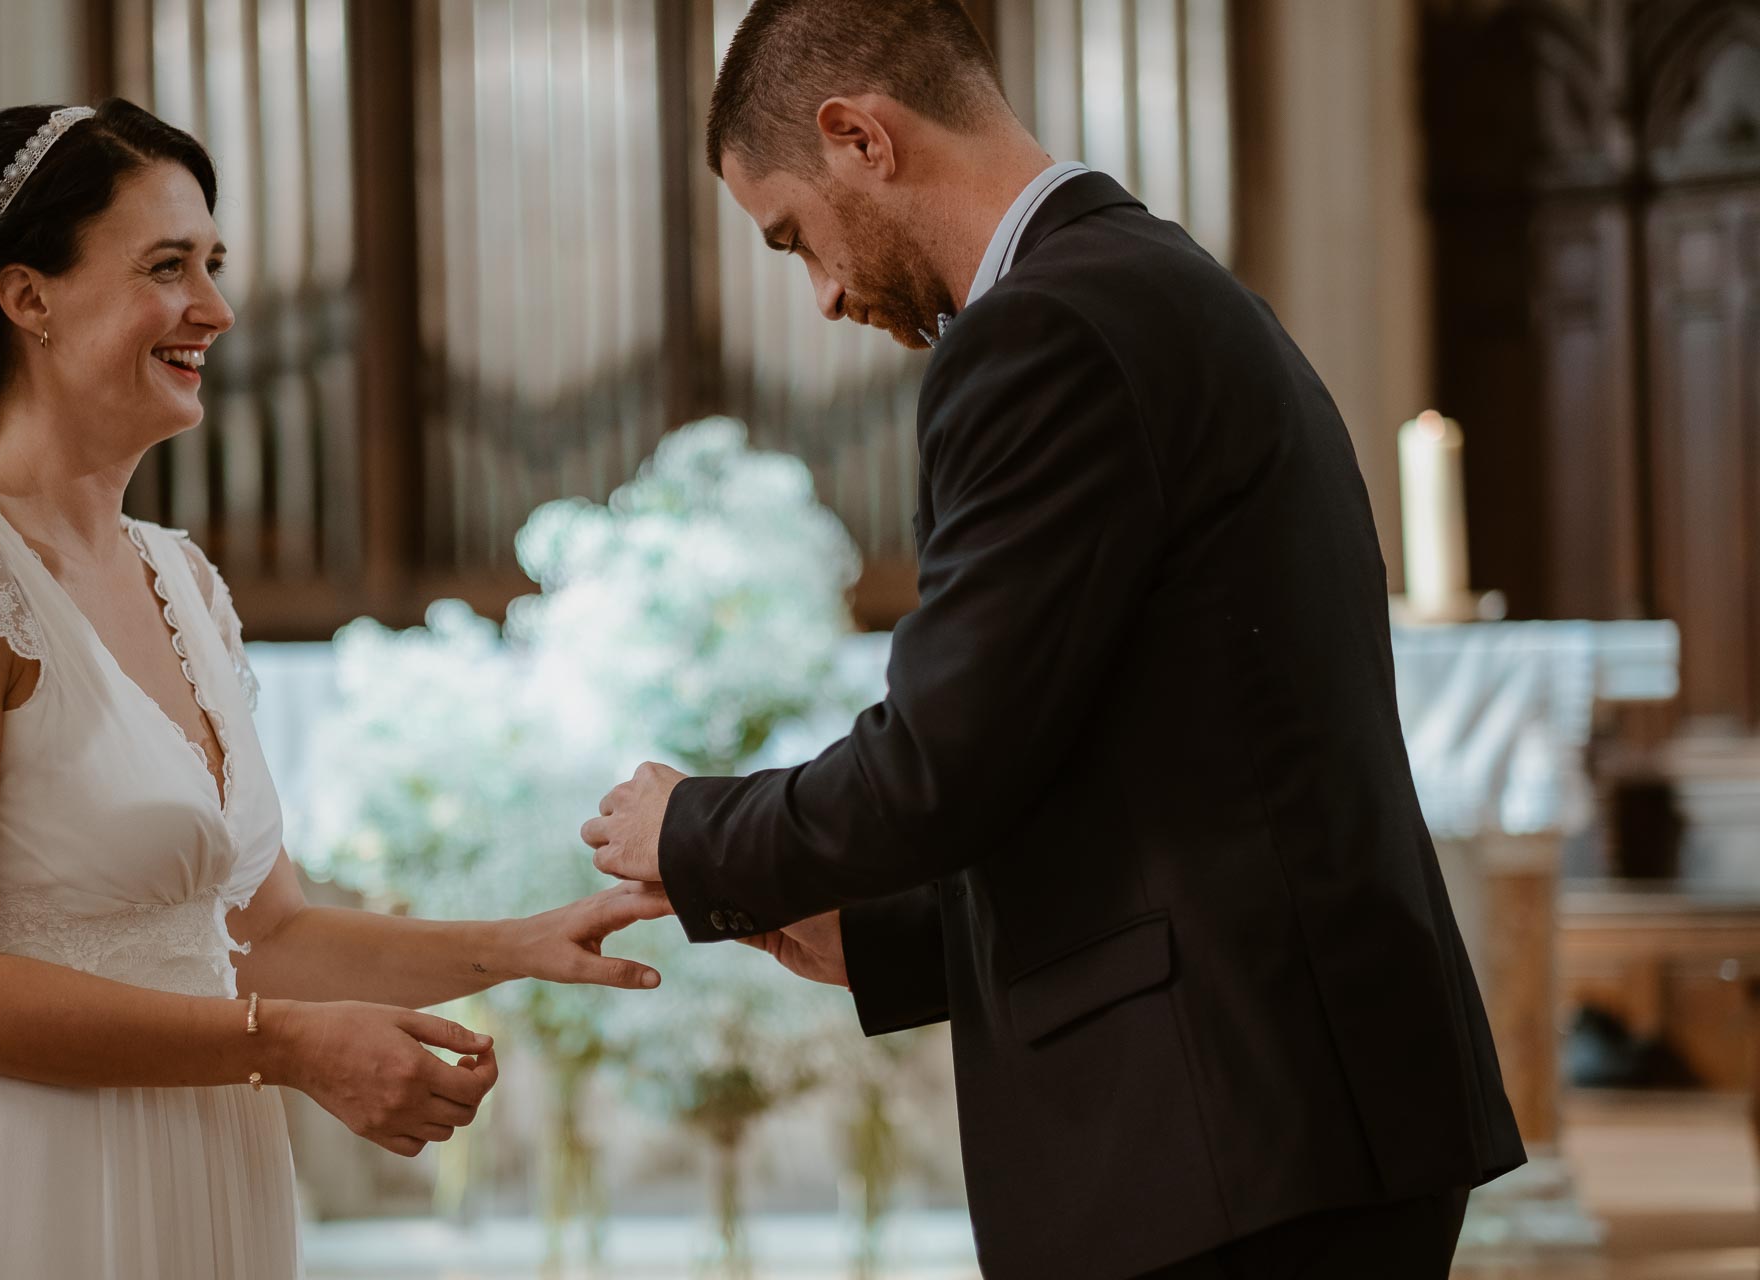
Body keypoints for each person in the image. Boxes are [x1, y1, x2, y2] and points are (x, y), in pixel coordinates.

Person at [581, 2, 1526, 1277]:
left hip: (1227, 1131)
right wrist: (880, 932)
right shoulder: (1161, 281)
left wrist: (691, 830)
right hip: (1290, 1101)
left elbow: (941, 763)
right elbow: (1144, 760)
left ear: (858, 135)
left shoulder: (1041, 334)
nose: (822, 295)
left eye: (795, 237)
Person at [0, 98, 669, 1280]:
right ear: (27, 297)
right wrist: (289, 1045)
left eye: (212, 264)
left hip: (197, 1170)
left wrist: (520, 939)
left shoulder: (181, 579)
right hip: (20, 1181)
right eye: (167, 266)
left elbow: (269, 933)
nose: (216, 308)